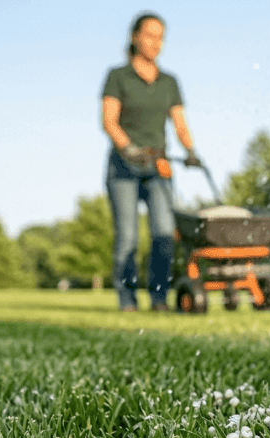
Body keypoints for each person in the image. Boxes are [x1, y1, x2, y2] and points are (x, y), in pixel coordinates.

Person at [101, 12, 201, 312]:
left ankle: (159, 299)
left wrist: (191, 150)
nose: (156, 43)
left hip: (158, 166)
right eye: (150, 35)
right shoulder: (118, 76)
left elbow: (180, 123)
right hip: (124, 169)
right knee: (128, 238)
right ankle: (128, 300)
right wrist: (128, 148)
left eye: (160, 37)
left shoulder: (169, 81)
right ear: (135, 37)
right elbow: (109, 121)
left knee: (164, 232)